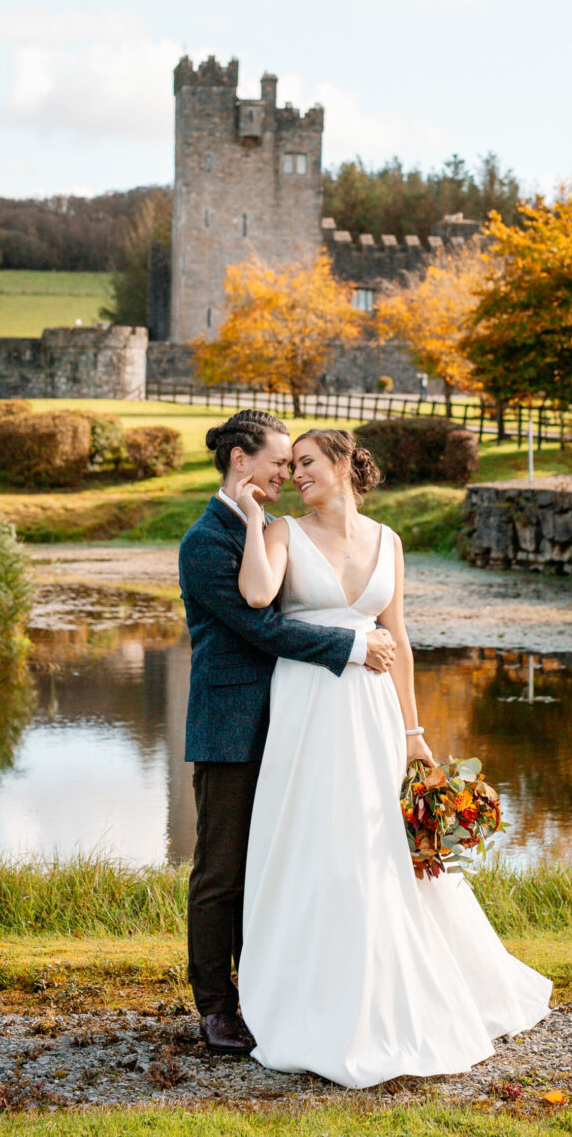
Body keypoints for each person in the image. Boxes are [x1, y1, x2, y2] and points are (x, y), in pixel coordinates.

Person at [234, 428, 552, 1087]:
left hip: (376, 711)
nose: (296, 475)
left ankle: (397, 980)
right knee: (317, 841)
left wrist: (414, 733)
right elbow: (259, 599)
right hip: (309, 709)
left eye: (308, 463)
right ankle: (308, 992)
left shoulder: (390, 541)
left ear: (347, 465)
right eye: (291, 466)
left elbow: (399, 640)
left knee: (381, 843)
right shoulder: (282, 533)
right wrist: (248, 517)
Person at [178, 410, 397, 1057]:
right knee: (221, 874)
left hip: (294, 725)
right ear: (239, 461)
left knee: (280, 868)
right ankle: (216, 1008)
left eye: (295, 463)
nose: (285, 475)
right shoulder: (206, 540)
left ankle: (274, 994)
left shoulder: (270, 529)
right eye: (278, 462)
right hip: (231, 727)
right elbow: (261, 630)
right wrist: (354, 647)